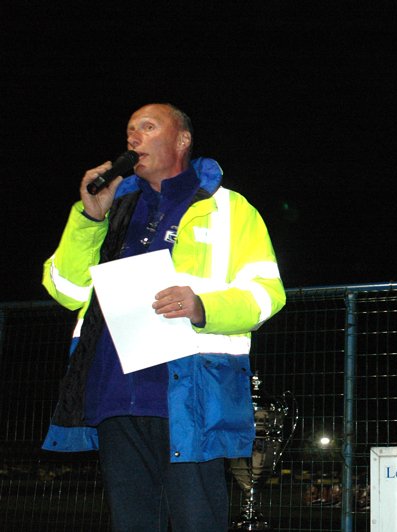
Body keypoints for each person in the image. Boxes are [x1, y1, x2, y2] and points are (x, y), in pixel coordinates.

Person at [42, 103, 286, 531]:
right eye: (130, 130)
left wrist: (203, 305)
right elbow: (67, 291)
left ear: (182, 140)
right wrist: (89, 219)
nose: (133, 137)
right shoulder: (111, 208)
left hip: (190, 396)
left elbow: (267, 294)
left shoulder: (230, 209)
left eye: (148, 127)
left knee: (197, 522)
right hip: (115, 395)